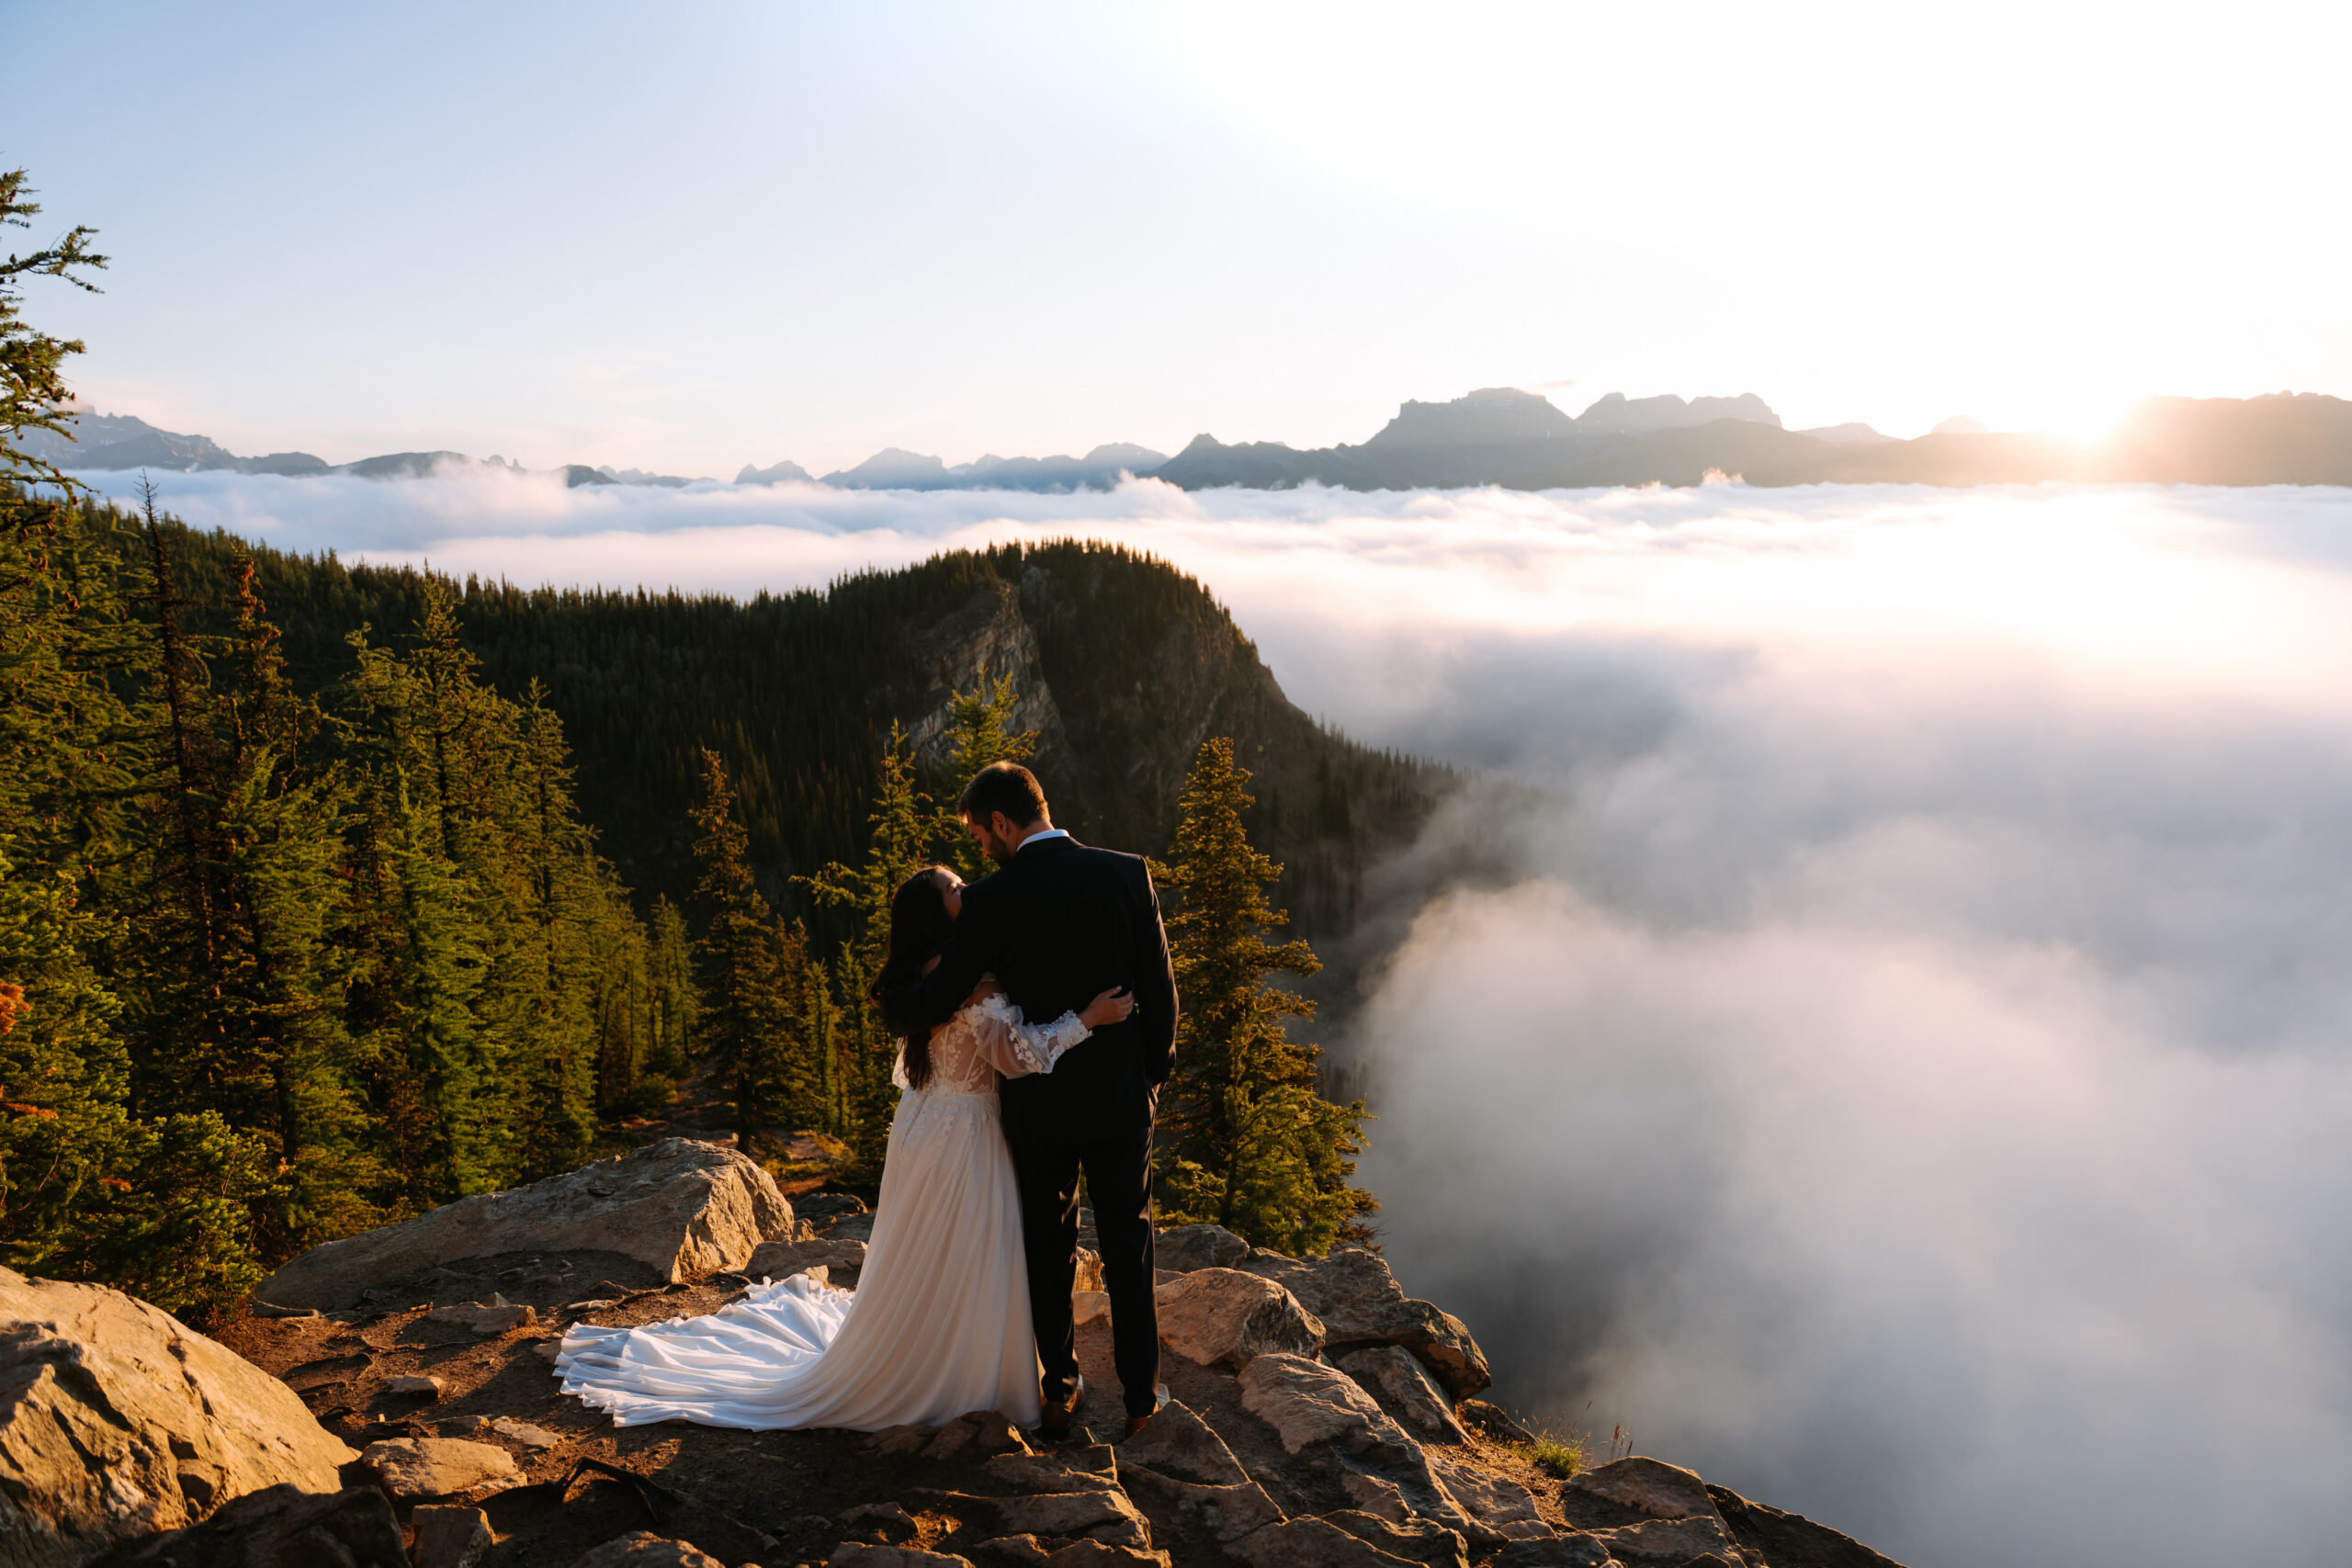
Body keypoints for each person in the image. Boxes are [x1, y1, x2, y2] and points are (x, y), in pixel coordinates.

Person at [550, 864, 1133, 1430]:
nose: (968, 887)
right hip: (965, 1134)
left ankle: (936, 1356)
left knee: (932, 1249)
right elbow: (1013, 1056)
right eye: (955, 886)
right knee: (968, 1244)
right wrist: (1088, 1018)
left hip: (927, 1124)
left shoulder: (926, 976)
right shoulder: (965, 978)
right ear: (937, 914)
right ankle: (960, 1374)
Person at [880, 761, 1179, 1440]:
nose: (981, 847)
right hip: (1117, 1102)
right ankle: (1140, 1401)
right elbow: (1161, 998)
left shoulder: (990, 901)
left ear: (1005, 823)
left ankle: (1060, 1387)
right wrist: (1148, 1083)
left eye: (982, 834)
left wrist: (895, 1008)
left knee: (1049, 1244)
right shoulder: (1127, 873)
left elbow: (937, 996)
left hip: (1036, 1107)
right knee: (1129, 1246)